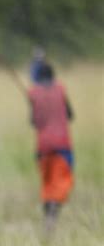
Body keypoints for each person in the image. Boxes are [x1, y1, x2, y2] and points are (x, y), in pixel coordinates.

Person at [28, 63, 74, 231]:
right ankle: (52, 216)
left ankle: (48, 217)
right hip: (62, 145)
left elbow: (34, 121)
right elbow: (70, 114)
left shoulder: (34, 94)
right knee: (61, 182)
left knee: (47, 184)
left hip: (43, 148)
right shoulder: (60, 90)